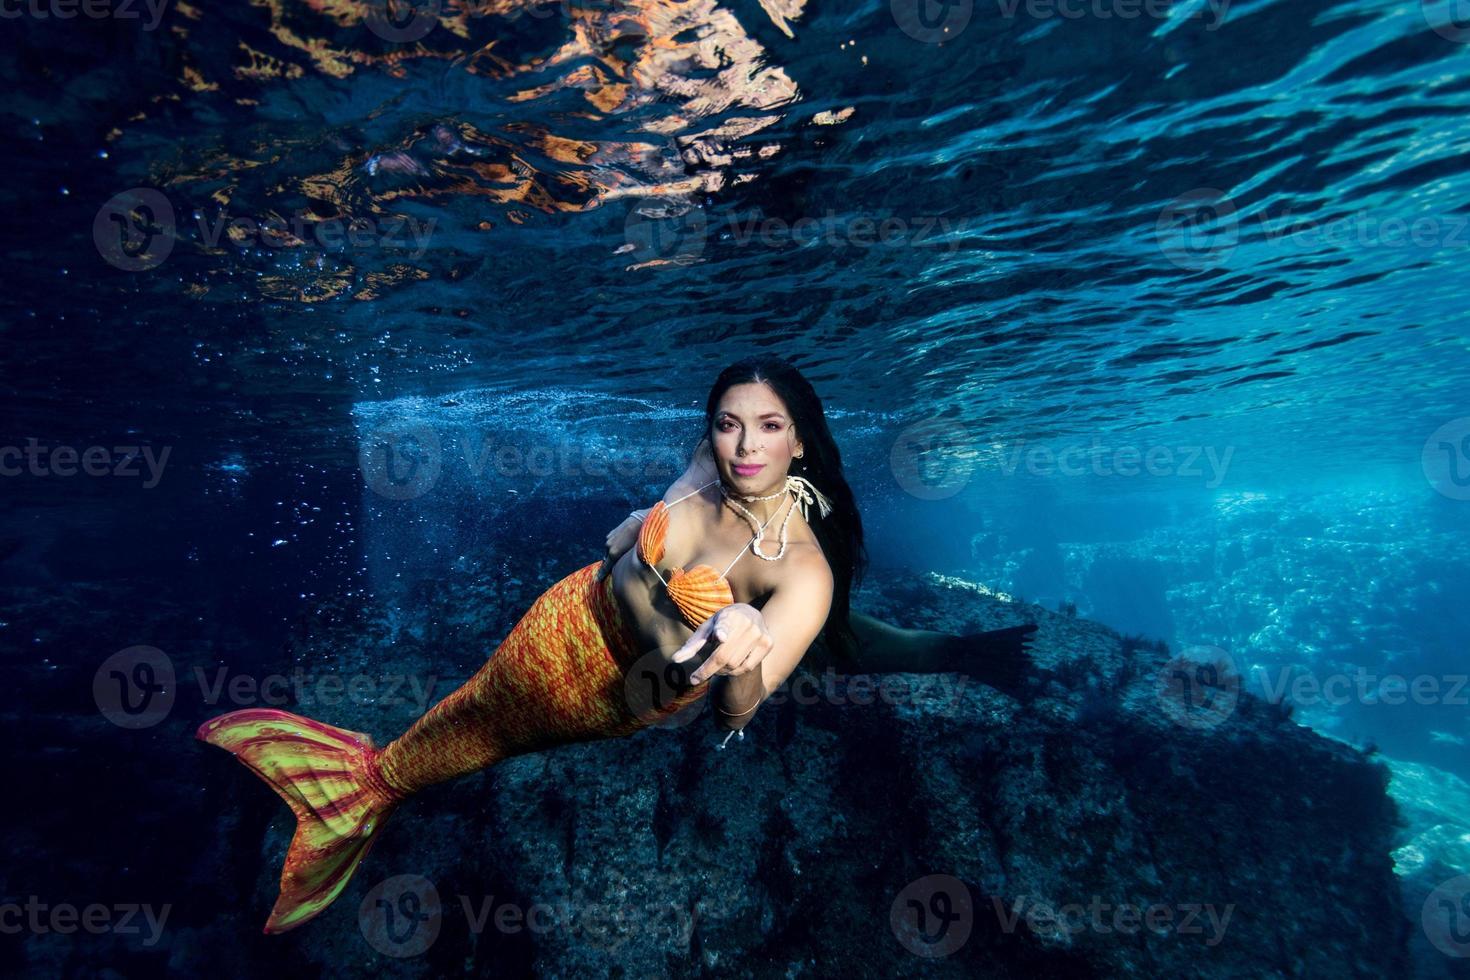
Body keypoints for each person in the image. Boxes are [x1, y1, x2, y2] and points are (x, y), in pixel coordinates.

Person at [195, 354, 1036, 934]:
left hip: (604, 690)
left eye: (768, 427)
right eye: (727, 425)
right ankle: (365, 781)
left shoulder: (805, 578)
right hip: (556, 619)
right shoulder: (708, 467)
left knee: (490, 737)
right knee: (467, 711)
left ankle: (362, 794)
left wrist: (742, 647)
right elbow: (617, 539)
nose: (743, 446)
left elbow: (735, 713)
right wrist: (643, 530)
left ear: (801, 438)